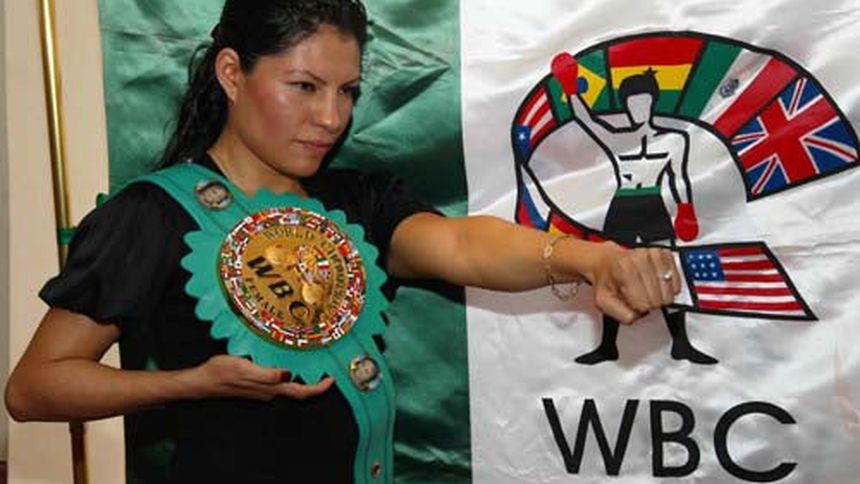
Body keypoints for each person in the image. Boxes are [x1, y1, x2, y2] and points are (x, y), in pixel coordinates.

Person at [5, 1, 683, 482]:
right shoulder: (153, 213)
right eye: (304, 87)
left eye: (347, 91)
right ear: (232, 73)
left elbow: (463, 246)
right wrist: (191, 383)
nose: (331, 117)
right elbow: (34, 389)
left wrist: (592, 257)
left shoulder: (355, 200)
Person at [559, 65, 716, 365]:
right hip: (622, 207)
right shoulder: (618, 139)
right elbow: (587, 121)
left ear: (653, 102)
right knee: (613, 271)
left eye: (642, 102)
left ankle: (681, 344)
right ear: (626, 106)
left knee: (667, 269)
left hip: (654, 204)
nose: (637, 109)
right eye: (631, 104)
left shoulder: (675, 139)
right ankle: (608, 346)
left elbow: (679, 177)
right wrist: (571, 90)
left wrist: (686, 208)